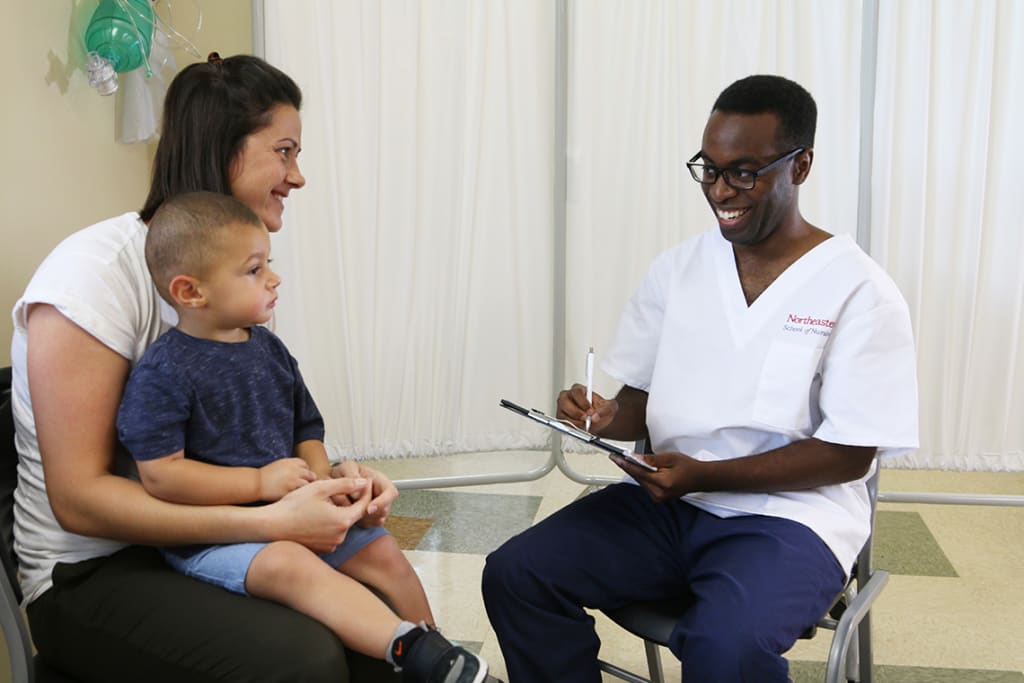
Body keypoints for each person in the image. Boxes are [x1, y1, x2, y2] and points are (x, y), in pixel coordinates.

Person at [482, 74, 919, 682]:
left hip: (790, 520)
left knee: (726, 645)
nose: (719, 190)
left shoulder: (860, 291)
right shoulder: (678, 270)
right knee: (517, 573)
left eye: (744, 171)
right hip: (668, 506)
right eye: (708, 169)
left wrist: (705, 474)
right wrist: (604, 417)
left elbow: (849, 455)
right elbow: (637, 402)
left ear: (802, 166)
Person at [13, 53, 400, 682]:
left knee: (383, 623)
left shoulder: (237, 282)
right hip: (94, 571)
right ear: (226, 151)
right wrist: (271, 519)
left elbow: (254, 444)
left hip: (216, 537)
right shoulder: (93, 277)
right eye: (285, 151)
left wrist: (327, 482)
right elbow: (79, 502)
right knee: (306, 658)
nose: (296, 177)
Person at [115, 190, 488, 683]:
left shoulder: (268, 349)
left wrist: (325, 483)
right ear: (191, 292)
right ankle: (407, 646)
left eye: (269, 263)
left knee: (380, 548)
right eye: (253, 270)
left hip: (293, 513)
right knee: (290, 563)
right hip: (217, 537)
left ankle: (440, 659)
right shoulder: (164, 372)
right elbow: (162, 477)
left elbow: (306, 430)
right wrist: (259, 485)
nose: (274, 278)